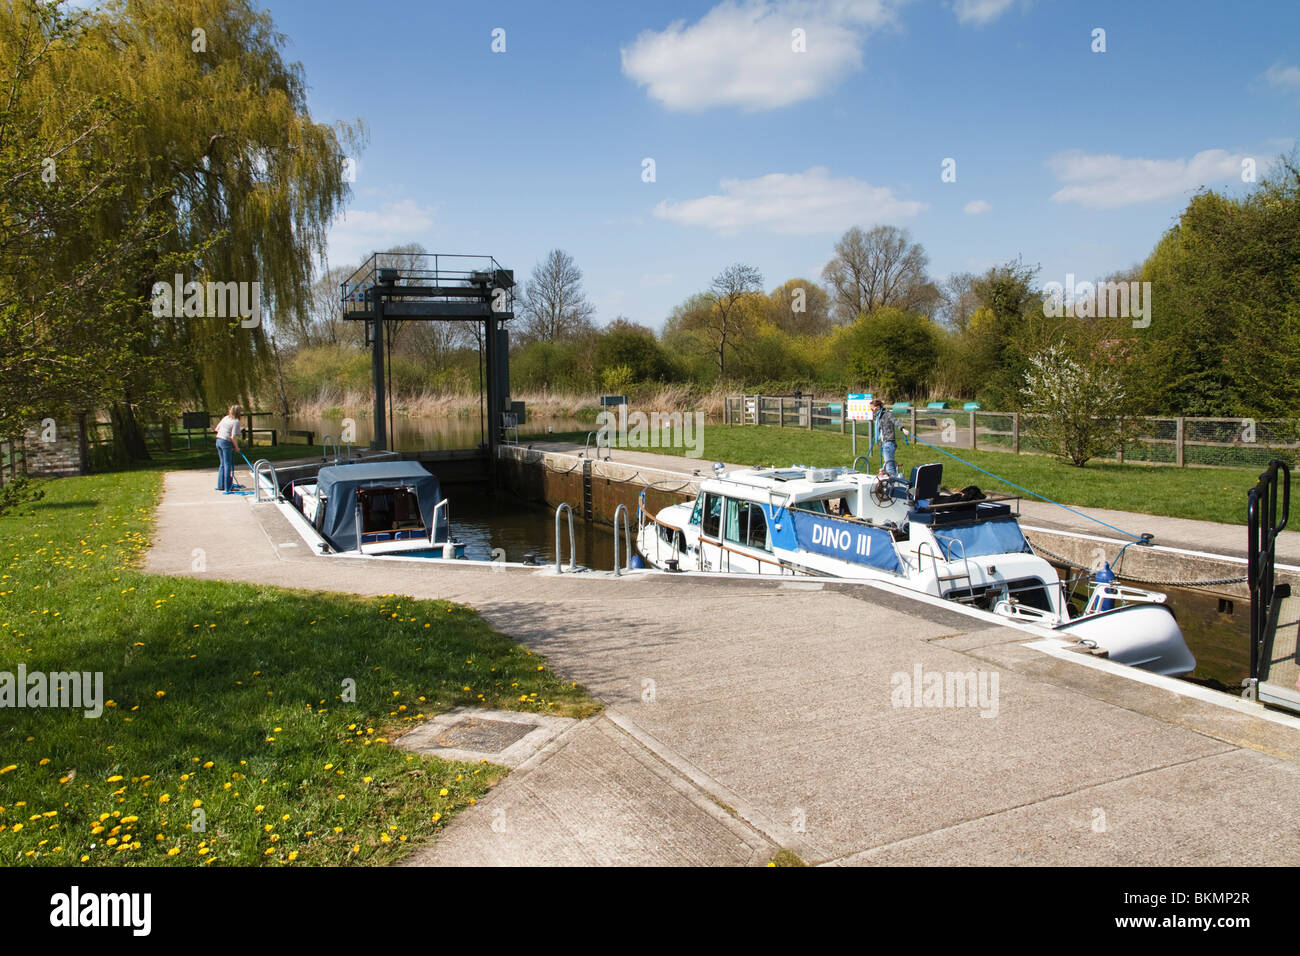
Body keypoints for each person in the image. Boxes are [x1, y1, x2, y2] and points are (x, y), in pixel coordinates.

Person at [870, 398, 901, 479]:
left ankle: (894, 485)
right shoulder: (878, 416)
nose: (871, 410)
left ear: (877, 408)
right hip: (884, 443)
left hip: (889, 443)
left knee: (889, 468)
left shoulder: (887, 414)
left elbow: (895, 421)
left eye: (871, 409)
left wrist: (902, 428)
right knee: (889, 465)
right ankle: (894, 482)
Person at [215, 405, 242, 493]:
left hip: (218, 440)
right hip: (226, 443)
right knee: (227, 465)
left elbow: (216, 429)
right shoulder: (236, 421)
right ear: (238, 413)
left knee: (222, 464)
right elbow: (233, 436)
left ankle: (221, 485)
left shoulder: (226, 418)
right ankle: (228, 487)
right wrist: (237, 447)